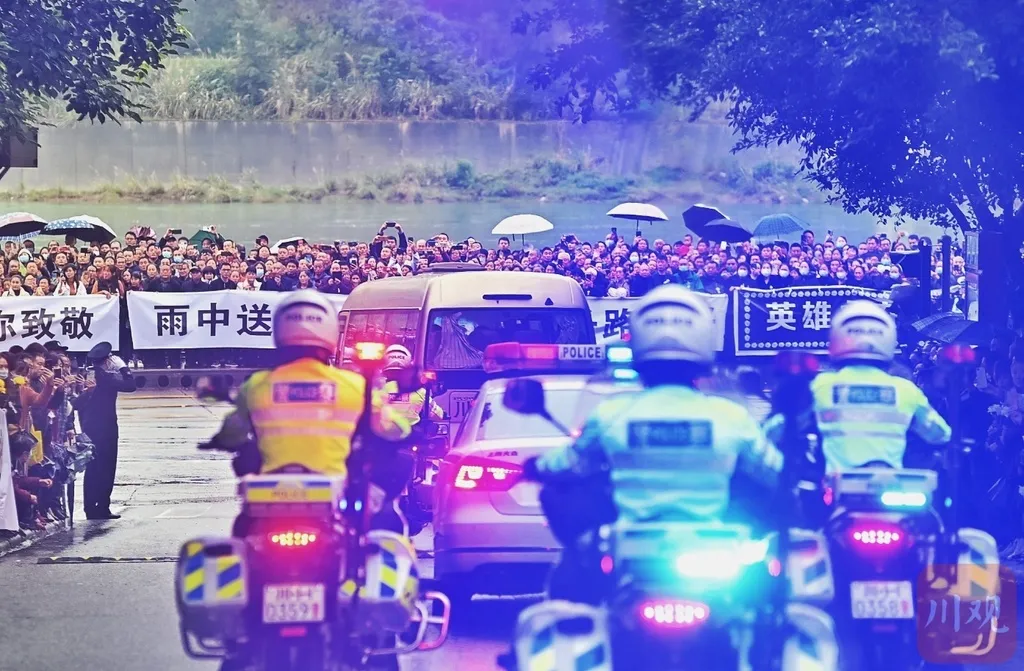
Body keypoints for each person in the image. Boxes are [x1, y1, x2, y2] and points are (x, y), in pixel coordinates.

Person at [528, 284, 783, 604]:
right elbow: (775, 472)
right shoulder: (731, 417)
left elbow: (568, 463)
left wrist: (533, 467)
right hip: (715, 553)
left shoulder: (612, 414)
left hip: (627, 550)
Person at [205, 291, 413, 535]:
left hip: (272, 494)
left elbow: (232, 433)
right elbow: (396, 429)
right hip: (335, 490)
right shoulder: (353, 386)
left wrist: (221, 440)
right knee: (376, 527)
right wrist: (409, 429)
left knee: (243, 531)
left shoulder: (257, 385)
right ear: (329, 332)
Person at [809, 300, 951, 471]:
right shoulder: (905, 390)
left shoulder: (821, 386)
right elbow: (940, 435)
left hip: (834, 481)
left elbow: (787, 425)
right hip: (890, 482)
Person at [78, 341, 135, 520]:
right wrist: (123, 368)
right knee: (105, 468)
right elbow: (131, 385)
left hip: (91, 426)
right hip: (105, 428)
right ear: (106, 361)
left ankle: (92, 507)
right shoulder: (105, 377)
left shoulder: (92, 375)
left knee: (94, 468)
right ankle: (101, 507)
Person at [381, 345, 444, 428]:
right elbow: (438, 415)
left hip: (381, 433)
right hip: (410, 433)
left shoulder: (375, 390)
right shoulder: (419, 391)